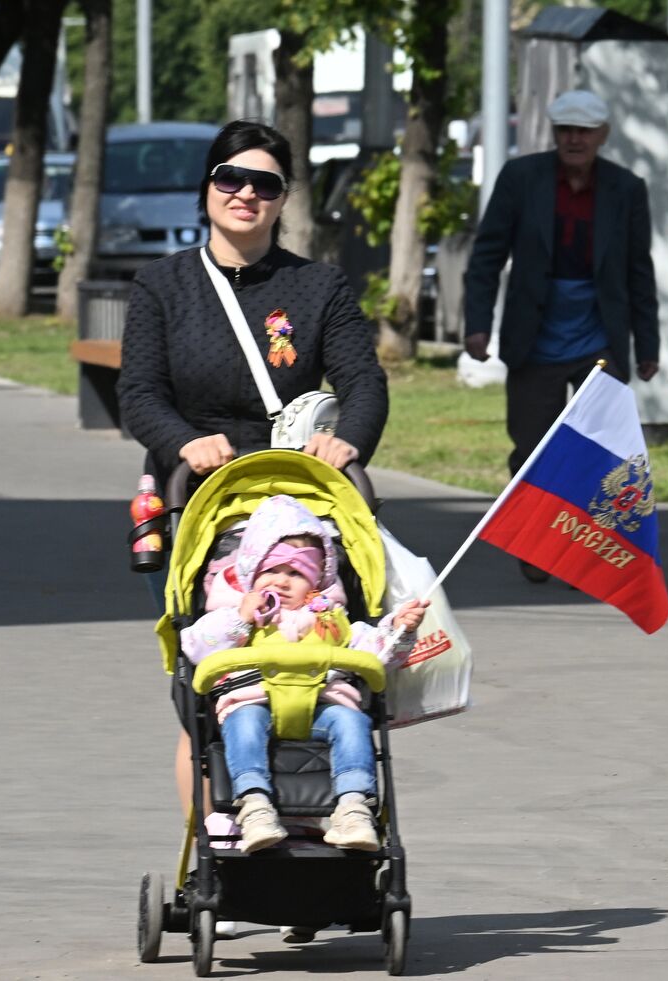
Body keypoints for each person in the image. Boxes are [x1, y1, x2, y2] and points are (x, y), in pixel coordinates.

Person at [117, 120, 390, 817]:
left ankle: (320, 832)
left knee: (321, 671)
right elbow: (139, 394)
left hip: (298, 508)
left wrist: (348, 442)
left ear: (283, 198)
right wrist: (185, 442)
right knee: (209, 687)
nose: (245, 194)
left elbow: (363, 382)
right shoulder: (161, 286)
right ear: (206, 186)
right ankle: (214, 852)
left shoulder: (318, 286)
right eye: (229, 179)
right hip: (196, 502)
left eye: (264, 184)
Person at [462, 89, 660, 583]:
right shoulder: (521, 178)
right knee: (531, 449)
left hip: (599, 337)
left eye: (584, 131)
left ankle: (593, 546)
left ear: (602, 136)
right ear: (554, 134)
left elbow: (639, 270)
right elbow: (487, 256)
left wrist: (648, 345)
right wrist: (477, 325)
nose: (574, 139)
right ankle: (537, 541)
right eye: (565, 130)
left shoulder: (626, 188)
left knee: (602, 451)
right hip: (536, 336)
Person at [181, 494, 428, 853]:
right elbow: (195, 647)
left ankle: (354, 806)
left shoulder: (331, 619)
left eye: (295, 573)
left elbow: (376, 651)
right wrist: (240, 620)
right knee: (244, 724)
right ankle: (253, 805)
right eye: (271, 570)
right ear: (252, 573)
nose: (281, 581)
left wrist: (398, 629)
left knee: (352, 723)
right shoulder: (234, 613)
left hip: (321, 707)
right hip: (253, 700)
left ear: (314, 582)